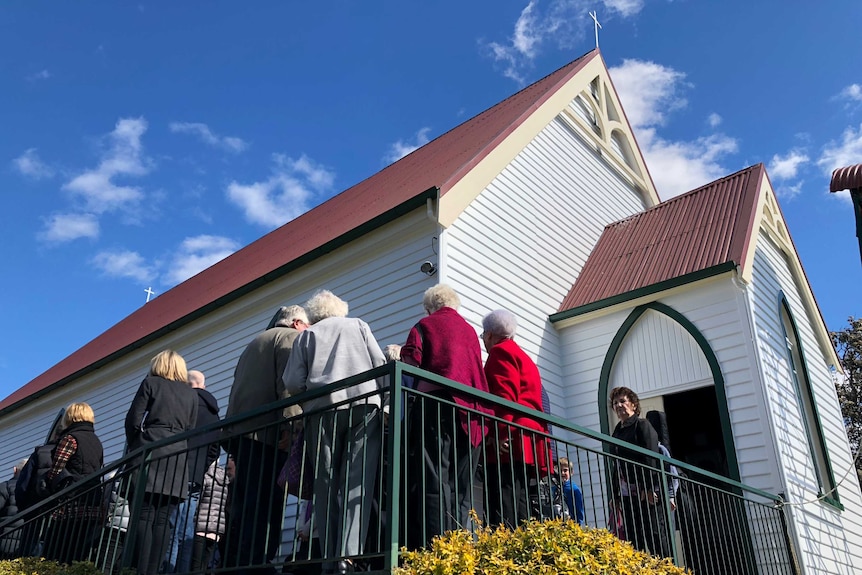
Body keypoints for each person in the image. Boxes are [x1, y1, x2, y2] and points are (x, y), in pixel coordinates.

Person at [283, 290, 387, 574]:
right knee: (358, 481)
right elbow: (380, 366)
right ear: (341, 309)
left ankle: (329, 558)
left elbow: (292, 382)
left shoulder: (308, 335)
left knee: (325, 482)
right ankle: (348, 556)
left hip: (323, 410)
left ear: (314, 313)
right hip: (364, 405)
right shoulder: (359, 326)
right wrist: (385, 405)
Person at [399, 284, 490, 550]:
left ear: (430, 307)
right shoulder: (471, 331)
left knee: (435, 478)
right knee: (462, 485)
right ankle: (461, 548)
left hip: (435, 406)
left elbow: (410, 363)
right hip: (472, 413)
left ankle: (437, 548)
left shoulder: (425, 325)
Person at [225, 305, 309, 573]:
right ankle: (258, 564)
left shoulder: (253, 344)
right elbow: (287, 385)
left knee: (244, 503)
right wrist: (292, 426)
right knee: (268, 503)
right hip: (269, 434)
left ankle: (237, 563)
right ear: (297, 323)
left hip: (241, 433)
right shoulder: (289, 339)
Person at [125, 350, 199, 575]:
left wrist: (138, 444)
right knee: (164, 518)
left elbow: (133, 420)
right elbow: (191, 428)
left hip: (151, 451)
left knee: (145, 514)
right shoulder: (191, 394)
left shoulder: (151, 383)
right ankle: (154, 569)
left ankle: (141, 569)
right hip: (177, 456)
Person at [481, 309, 552, 529]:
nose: (483, 339)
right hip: (527, 435)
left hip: (511, 435)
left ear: (491, 334)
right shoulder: (524, 356)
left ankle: (503, 552)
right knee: (519, 496)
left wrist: (501, 433)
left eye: (483, 334)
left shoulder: (500, 353)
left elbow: (505, 396)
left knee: (503, 497)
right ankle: (521, 548)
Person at [167, 370, 221, 573]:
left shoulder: (184, 403)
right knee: (187, 531)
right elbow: (214, 449)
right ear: (203, 385)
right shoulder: (214, 411)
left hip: (177, 471)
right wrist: (202, 468)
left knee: (172, 531)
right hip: (197, 476)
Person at [609, 386, 671, 558]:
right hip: (627, 494)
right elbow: (617, 465)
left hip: (645, 491)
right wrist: (615, 495)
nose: (619, 405)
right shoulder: (617, 432)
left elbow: (651, 458)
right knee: (633, 539)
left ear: (634, 405)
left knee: (655, 535)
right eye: (615, 403)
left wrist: (649, 488)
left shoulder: (642, 425)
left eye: (623, 401)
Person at [43, 402, 105, 564]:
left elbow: (56, 470)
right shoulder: (96, 442)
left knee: (55, 554)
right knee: (78, 555)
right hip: (93, 503)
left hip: (71, 505)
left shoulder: (70, 438)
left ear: (70, 417)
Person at [190, 457, 231, 573]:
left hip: (203, 523)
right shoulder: (225, 480)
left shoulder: (206, 476)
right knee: (206, 563)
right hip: (217, 527)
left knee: (196, 563)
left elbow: (198, 499)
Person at [0, 458, 28, 558]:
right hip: (27, 546)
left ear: (15, 470)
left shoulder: (6, 486)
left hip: (3, 543)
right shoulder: (35, 491)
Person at [555, 457, 585, 525]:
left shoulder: (574, 489)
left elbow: (579, 510)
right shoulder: (555, 486)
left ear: (571, 472)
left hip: (569, 523)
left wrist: (577, 525)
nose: (562, 473)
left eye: (565, 470)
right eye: (560, 470)